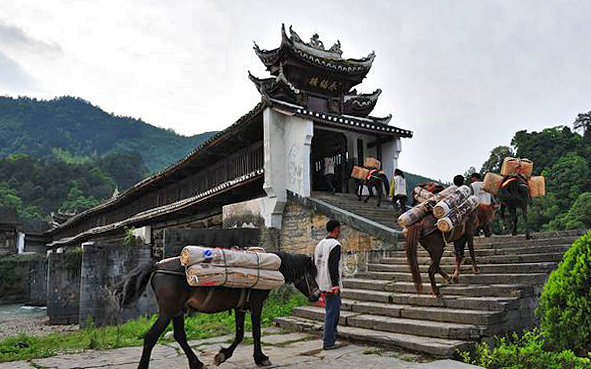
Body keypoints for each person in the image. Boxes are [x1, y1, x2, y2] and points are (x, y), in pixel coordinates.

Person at [314, 219, 344, 350]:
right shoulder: (335, 244)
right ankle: (328, 341)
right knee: (331, 312)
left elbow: (315, 263)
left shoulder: (320, 244)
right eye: (339, 229)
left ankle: (333, 334)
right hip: (330, 284)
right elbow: (333, 265)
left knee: (334, 310)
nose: (340, 231)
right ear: (336, 229)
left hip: (321, 281)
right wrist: (335, 285)